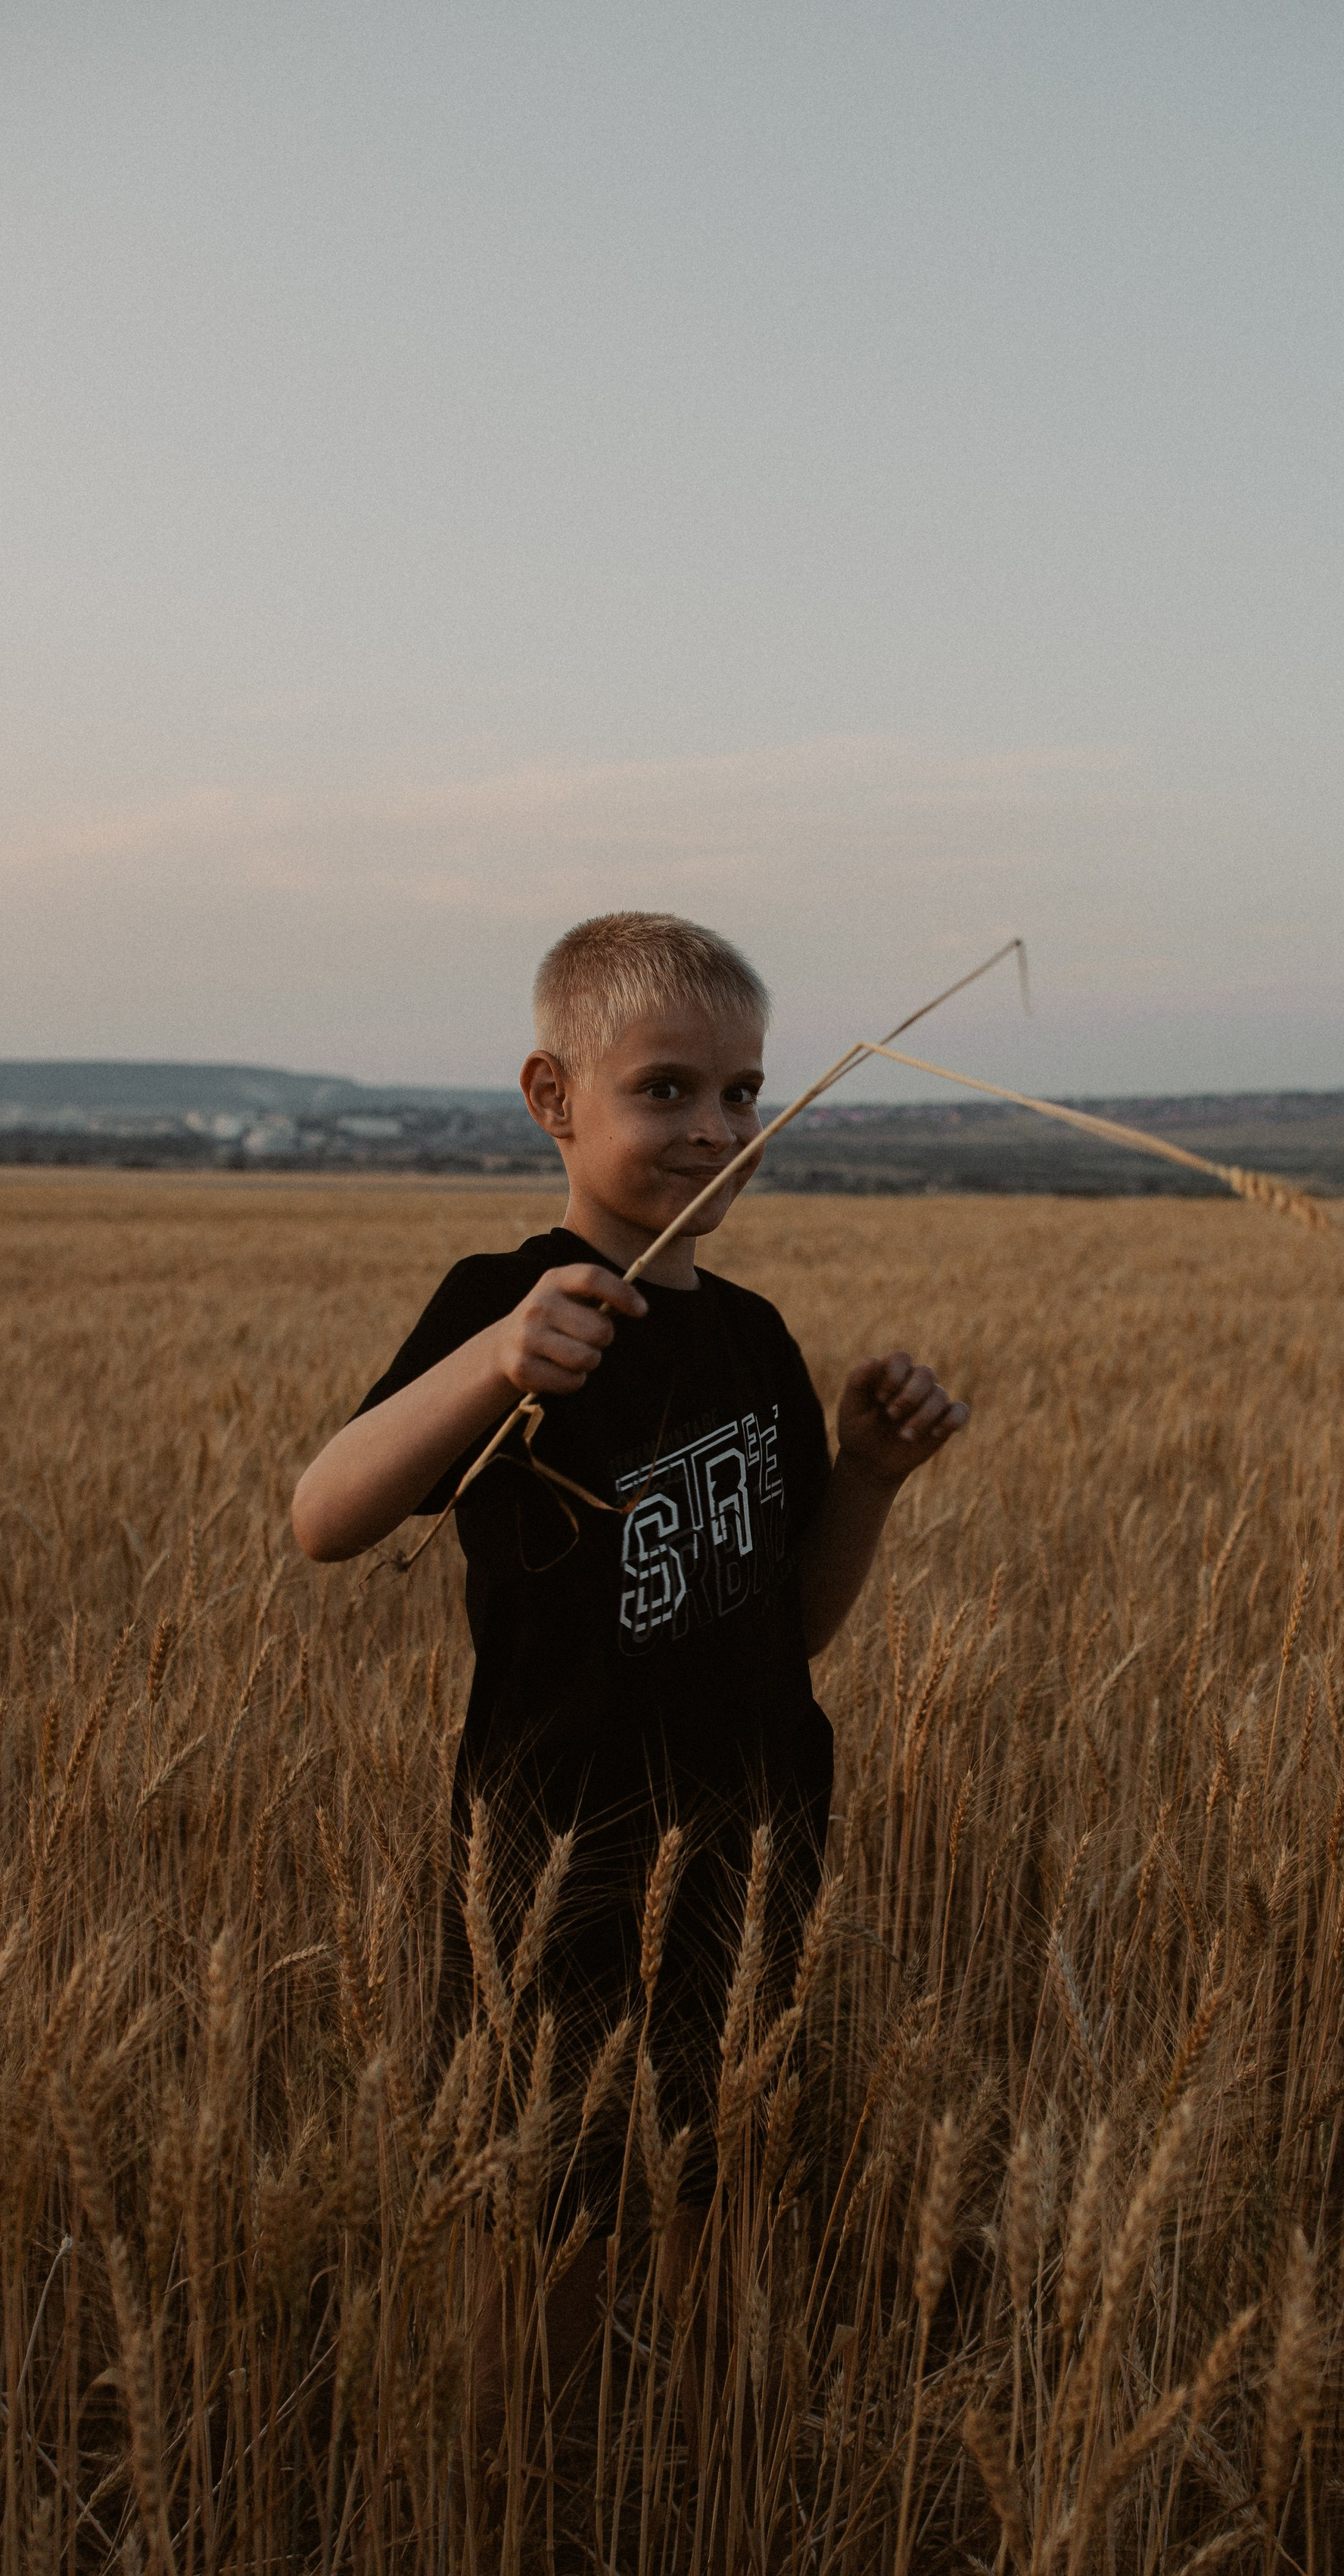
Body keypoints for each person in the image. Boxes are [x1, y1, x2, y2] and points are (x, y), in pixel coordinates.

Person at [291, 912, 968, 2290]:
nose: (717, 1130)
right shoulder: (502, 1304)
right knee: (530, 2236)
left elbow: (792, 1626)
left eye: (743, 1093)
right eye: (664, 1088)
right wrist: (495, 1363)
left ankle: (683, 2475)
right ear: (554, 1099)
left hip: (756, 1846)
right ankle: (510, 2491)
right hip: (551, 1867)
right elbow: (325, 1518)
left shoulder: (755, 1339)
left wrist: (870, 1479)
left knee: (713, 2217)